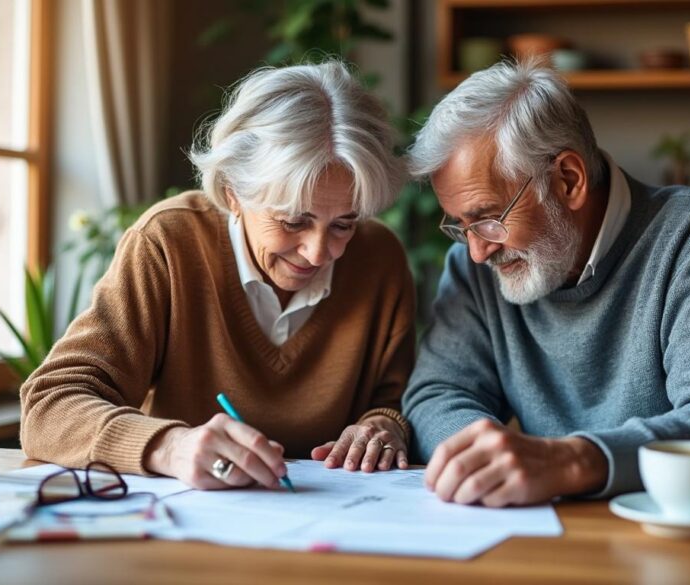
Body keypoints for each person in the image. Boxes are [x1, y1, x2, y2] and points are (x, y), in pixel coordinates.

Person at [402, 59, 690, 508]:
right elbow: (437, 393)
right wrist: (479, 451)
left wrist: (570, 462)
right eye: (460, 225)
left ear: (568, 180)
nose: (477, 250)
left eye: (488, 218)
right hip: (562, 529)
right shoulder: (475, 269)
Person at [21, 61, 415, 490]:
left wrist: (384, 427)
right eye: (293, 221)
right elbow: (48, 406)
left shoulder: (379, 257)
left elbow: (395, 402)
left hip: (338, 522)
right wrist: (171, 447)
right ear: (233, 192)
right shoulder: (169, 243)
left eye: (344, 223)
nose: (320, 252)